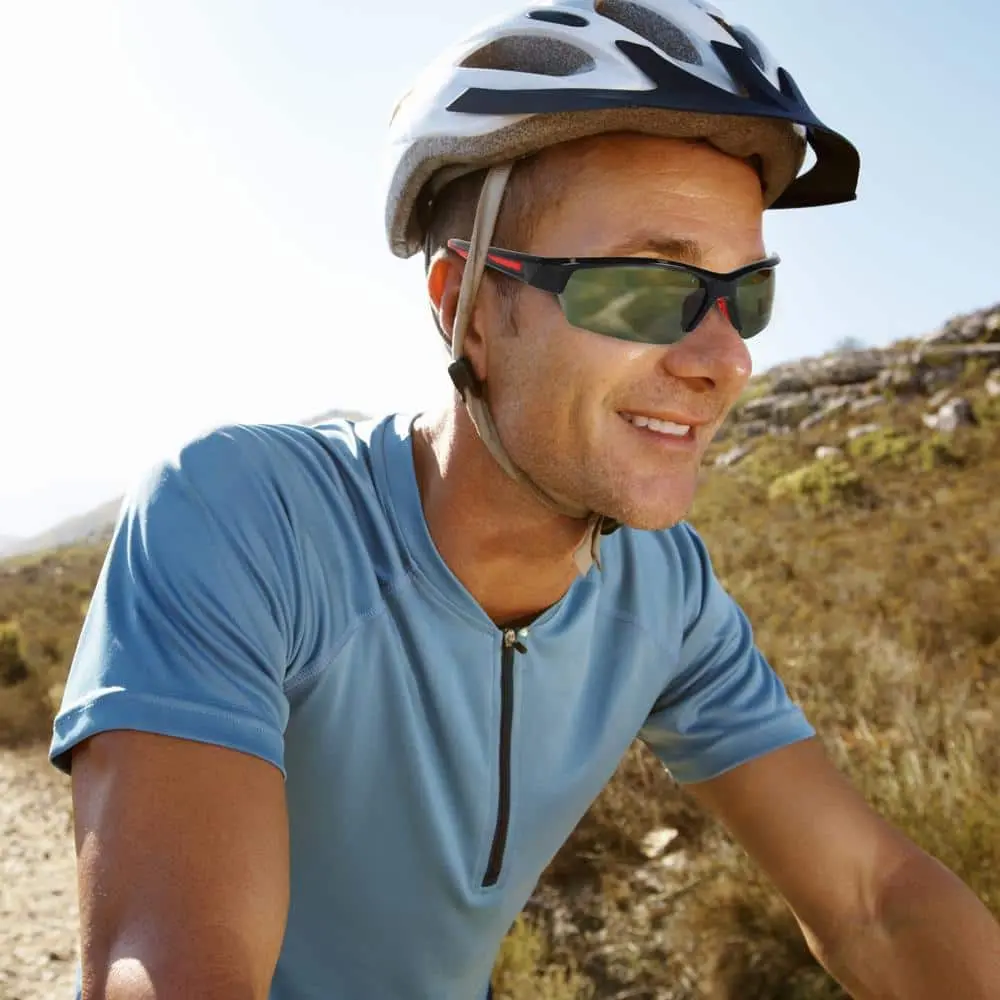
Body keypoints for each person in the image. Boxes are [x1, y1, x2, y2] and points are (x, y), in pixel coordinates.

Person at [50, 2, 1000, 998]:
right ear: (464, 305)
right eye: (648, 286)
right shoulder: (246, 515)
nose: (728, 361)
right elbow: (164, 968)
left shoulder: (666, 592)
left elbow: (871, 900)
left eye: (746, 296)